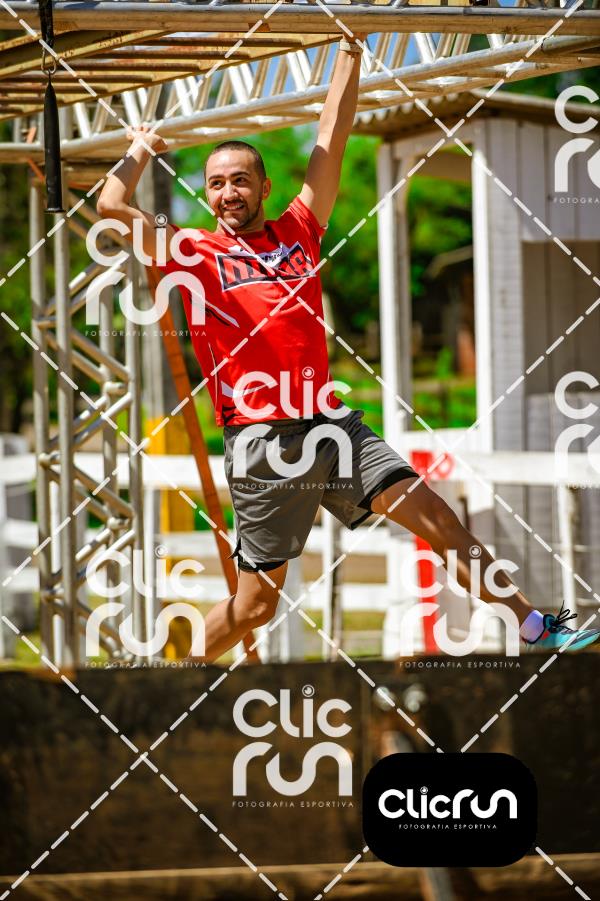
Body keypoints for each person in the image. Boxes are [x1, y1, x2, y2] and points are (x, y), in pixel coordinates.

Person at [96, 35, 600, 661]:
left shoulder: (299, 229)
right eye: (217, 183)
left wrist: (350, 55)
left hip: (330, 425)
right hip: (263, 442)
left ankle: (533, 625)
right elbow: (111, 205)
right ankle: (162, 677)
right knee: (256, 606)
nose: (228, 193)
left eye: (240, 181)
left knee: (437, 517)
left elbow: (330, 140)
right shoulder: (192, 251)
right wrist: (141, 149)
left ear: (263, 186)